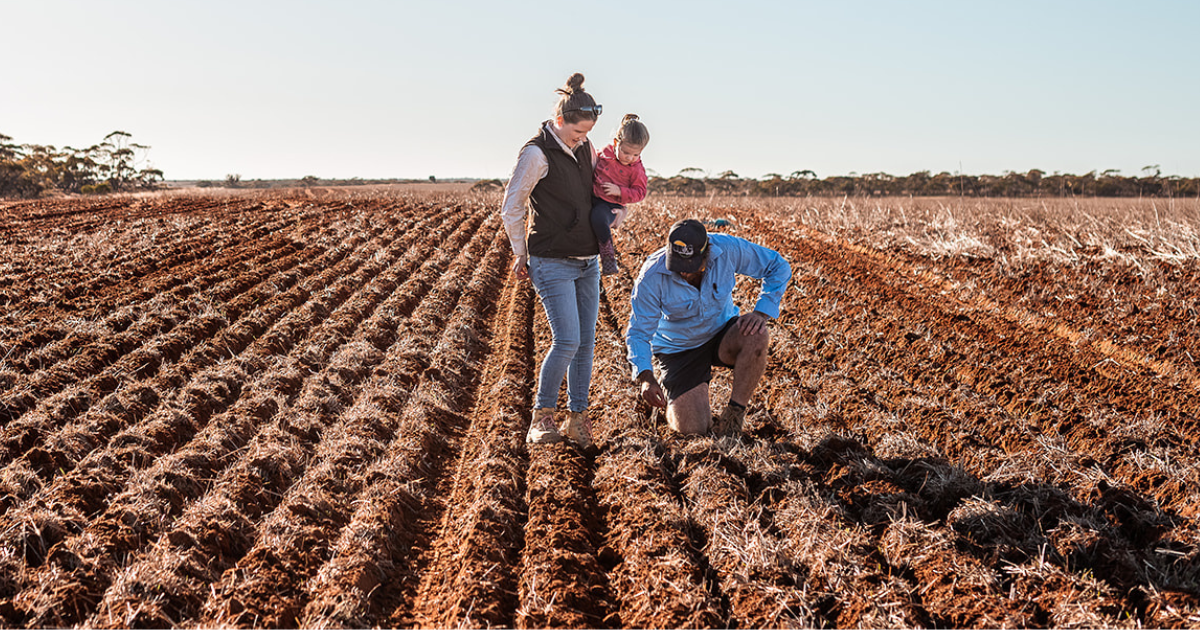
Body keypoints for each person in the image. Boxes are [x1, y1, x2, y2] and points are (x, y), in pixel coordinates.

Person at [500, 72, 604, 448]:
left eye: (587, 134)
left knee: (586, 342)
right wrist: (520, 254)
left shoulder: (586, 148)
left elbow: (602, 196)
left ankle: (578, 420)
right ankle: (542, 418)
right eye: (577, 134)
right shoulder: (536, 152)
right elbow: (511, 207)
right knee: (567, 340)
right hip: (551, 260)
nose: (583, 140)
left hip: (587, 261)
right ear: (559, 122)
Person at [626, 219, 792, 436]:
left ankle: (734, 415)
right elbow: (638, 333)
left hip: (721, 333)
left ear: (707, 253)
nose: (684, 273)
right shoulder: (651, 276)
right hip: (679, 349)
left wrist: (761, 312)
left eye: (691, 267)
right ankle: (681, 399)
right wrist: (646, 378)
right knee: (694, 430)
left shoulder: (726, 249)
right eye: (678, 266)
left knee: (756, 334)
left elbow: (777, 266)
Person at [590, 114, 649, 275]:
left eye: (635, 155)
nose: (630, 158)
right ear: (616, 143)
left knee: (599, 219)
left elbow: (640, 192)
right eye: (626, 152)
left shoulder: (636, 169)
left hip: (610, 205)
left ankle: (608, 255)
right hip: (592, 197)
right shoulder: (603, 153)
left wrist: (619, 191)